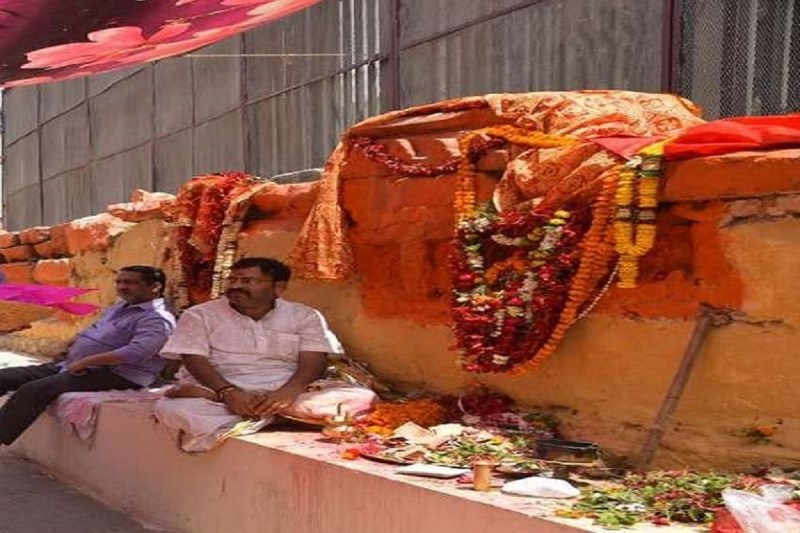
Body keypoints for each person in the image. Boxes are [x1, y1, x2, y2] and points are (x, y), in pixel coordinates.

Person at [154, 257, 343, 452]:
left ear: (278, 288)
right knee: (174, 409)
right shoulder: (199, 314)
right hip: (224, 385)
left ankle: (260, 416)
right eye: (232, 280)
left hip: (283, 388)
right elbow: (194, 359)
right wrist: (228, 393)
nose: (236, 286)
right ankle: (277, 417)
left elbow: (314, 359)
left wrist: (288, 392)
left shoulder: (304, 315)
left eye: (247, 281)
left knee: (352, 399)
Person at [0, 265, 175, 445]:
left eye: (130, 283)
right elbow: (94, 330)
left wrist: (87, 361)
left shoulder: (157, 318)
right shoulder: (121, 306)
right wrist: (70, 345)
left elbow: (138, 352)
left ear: (155, 287)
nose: (122, 287)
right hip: (74, 365)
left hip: (118, 374)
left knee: (33, 391)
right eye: (119, 282)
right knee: (4, 377)